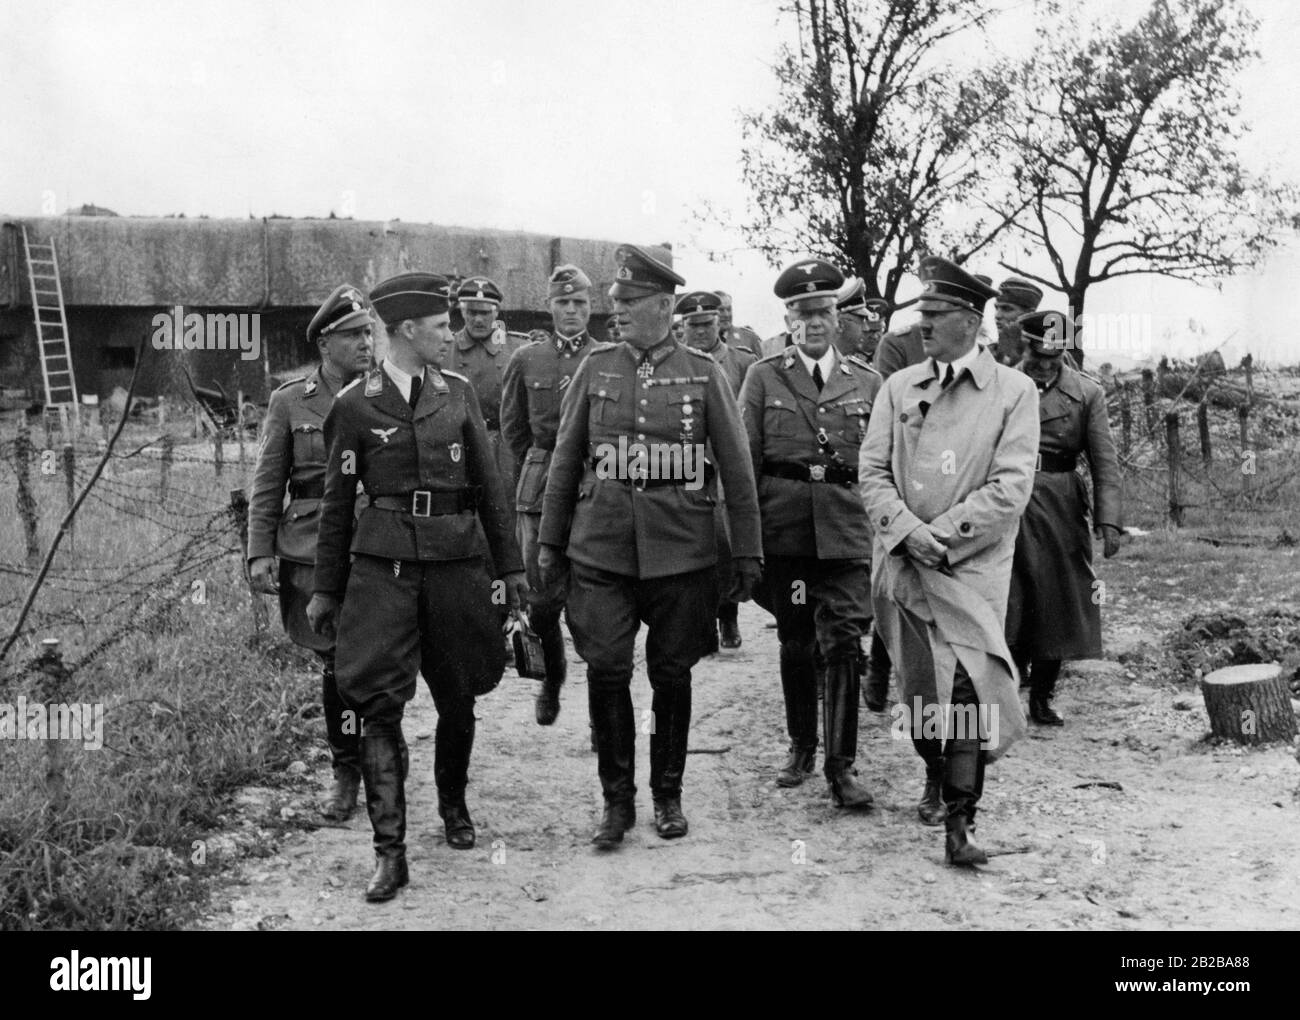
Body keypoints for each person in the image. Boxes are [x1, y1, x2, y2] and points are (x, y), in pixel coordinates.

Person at [307, 272, 527, 902]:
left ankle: (453, 805)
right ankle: (390, 852)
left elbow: (490, 494)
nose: (447, 336)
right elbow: (335, 505)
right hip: (383, 572)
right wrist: (327, 590)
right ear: (407, 330)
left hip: (457, 566)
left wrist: (510, 573)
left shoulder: (457, 396)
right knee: (379, 705)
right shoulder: (353, 404)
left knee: (458, 695)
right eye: (437, 327)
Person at [537, 244, 762, 849]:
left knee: (671, 673)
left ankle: (668, 793)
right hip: (602, 545)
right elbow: (565, 459)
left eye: (629, 303)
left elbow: (737, 472)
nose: (617, 313)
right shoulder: (596, 366)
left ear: (664, 307)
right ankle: (617, 801)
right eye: (615, 303)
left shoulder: (704, 372)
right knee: (606, 669)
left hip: (681, 548)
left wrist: (746, 553)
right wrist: (550, 543)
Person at [860, 255, 1038, 866]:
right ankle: (934, 771)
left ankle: (960, 822)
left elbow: (1012, 487)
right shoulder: (898, 386)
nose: (923, 325)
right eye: (922, 314)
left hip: (970, 568)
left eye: (935, 314)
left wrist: (945, 534)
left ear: (970, 320)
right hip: (907, 569)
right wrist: (908, 532)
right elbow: (872, 472)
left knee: (967, 687)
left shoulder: (1015, 393)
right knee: (921, 696)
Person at [739, 259, 881, 806]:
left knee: (844, 640)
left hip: (846, 530)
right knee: (796, 639)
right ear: (788, 319)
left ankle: (841, 767)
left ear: (837, 317)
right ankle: (801, 744)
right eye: (802, 313)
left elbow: (883, 462)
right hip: (787, 530)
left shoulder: (868, 381)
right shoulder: (764, 376)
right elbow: (744, 461)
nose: (813, 323)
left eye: (822, 311)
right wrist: (745, 539)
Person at [247, 284, 372, 822]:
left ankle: (383, 755)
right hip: (315, 545)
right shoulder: (290, 401)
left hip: (379, 542)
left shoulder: (389, 391)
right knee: (337, 663)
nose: (367, 343)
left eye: (369, 332)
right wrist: (259, 551)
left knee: (379, 658)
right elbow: (268, 481)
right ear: (326, 343)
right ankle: (347, 771)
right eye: (353, 335)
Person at [1006, 310, 1123, 725]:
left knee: (1058, 594)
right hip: (1007, 497)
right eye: (1037, 354)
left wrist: (1108, 520)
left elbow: (1104, 460)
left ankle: (1042, 696)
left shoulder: (1087, 393)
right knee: (1011, 594)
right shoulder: (1002, 384)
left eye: (1053, 357)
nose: (1044, 364)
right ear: (1025, 346)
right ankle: (1006, 690)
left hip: (1060, 499)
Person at [500, 264, 595, 724]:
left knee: (599, 605)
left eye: (579, 303)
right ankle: (552, 681)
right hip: (538, 490)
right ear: (551, 307)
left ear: (590, 308)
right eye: (563, 303)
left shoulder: (607, 357)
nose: (571, 310)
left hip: (595, 486)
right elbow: (514, 429)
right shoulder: (526, 359)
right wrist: (539, 469)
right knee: (542, 601)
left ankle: (604, 708)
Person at [676, 289, 758, 651]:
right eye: (693, 326)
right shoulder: (677, 365)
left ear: (719, 324)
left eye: (706, 324)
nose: (700, 332)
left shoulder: (741, 362)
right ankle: (702, 621)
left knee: (724, 542)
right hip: (687, 464)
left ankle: (728, 615)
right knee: (694, 541)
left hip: (725, 465)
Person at [444, 276, 531, 554]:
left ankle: (505, 586)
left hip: (504, 443)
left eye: (484, 313)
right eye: (471, 312)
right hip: (459, 443)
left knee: (505, 513)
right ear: (461, 311)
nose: (478, 320)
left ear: (496, 312)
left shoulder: (517, 348)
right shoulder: (446, 349)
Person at [991, 277, 1044, 366]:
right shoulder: (986, 351)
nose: (997, 316)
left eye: (1006, 309)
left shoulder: (1050, 354)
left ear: (1029, 314)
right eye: (996, 308)